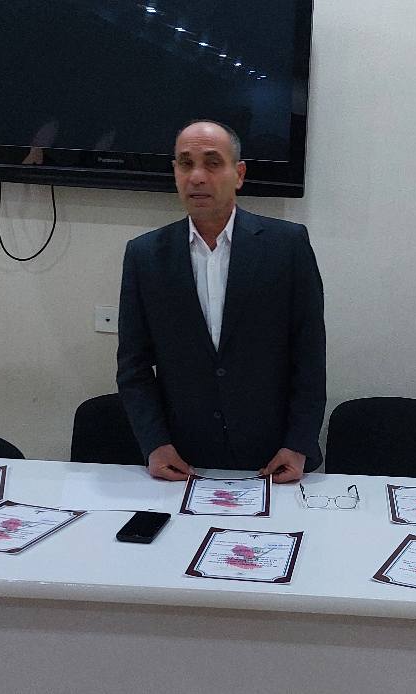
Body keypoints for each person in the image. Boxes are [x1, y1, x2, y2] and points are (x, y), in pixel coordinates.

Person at [117, 120, 326, 484]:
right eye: (185, 164)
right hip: (181, 461)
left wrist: (298, 443)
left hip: (274, 459)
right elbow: (133, 367)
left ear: (239, 174)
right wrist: (155, 444)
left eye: (212, 163)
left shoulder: (287, 246)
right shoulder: (145, 255)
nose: (197, 177)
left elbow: (309, 355)